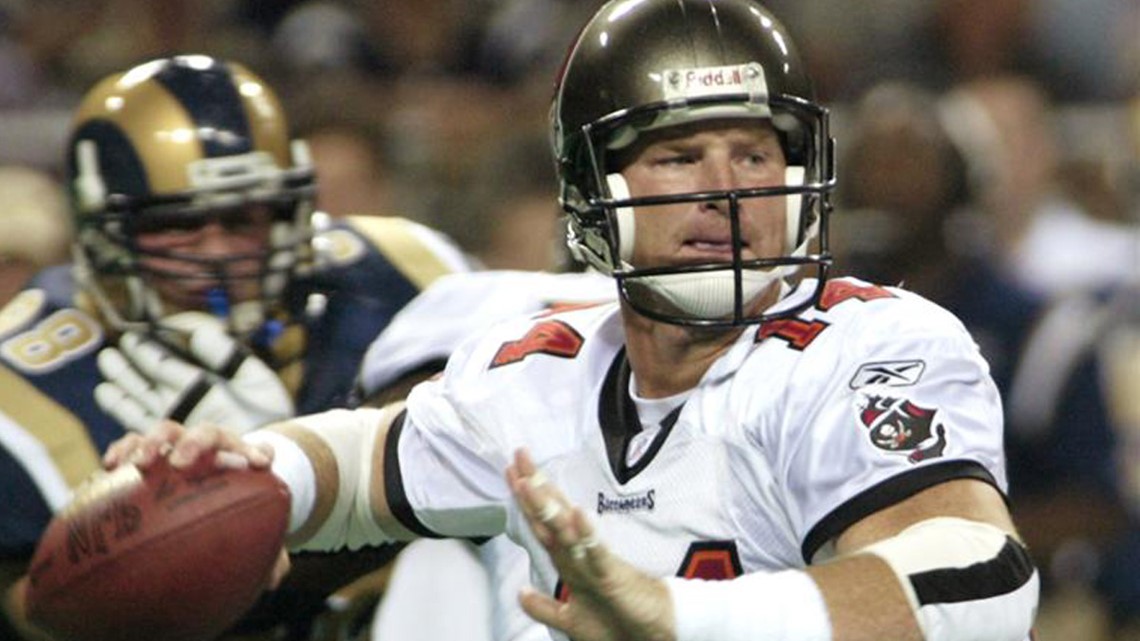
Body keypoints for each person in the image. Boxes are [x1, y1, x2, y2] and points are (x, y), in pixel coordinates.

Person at [104, 3, 1039, 641]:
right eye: (680, 157)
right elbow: (365, 460)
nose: (728, 189)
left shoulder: (869, 344)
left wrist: (676, 618)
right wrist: (241, 467)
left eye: (755, 151)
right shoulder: (543, 370)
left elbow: (979, 574)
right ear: (595, 189)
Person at [0, 54, 471, 640]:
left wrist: (296, 456)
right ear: (100, 230)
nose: (218, 251)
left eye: (244, 217)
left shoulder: (401, 272)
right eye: (178, 224)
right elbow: (38, 616)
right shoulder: (20, 390)